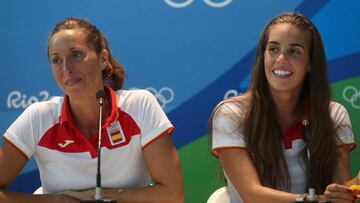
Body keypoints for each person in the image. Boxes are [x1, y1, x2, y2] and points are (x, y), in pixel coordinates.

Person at [0, 17, 183, 203]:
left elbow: (172, 195)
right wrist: (55, 201)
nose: (66, 68)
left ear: (103, 59)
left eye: (76, 55)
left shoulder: (139, 106)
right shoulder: (38, 117)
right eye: (56, 60)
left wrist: (106, 197)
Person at [209, 12, 359, 203]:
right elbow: (252, 195)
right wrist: (316, 200)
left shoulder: (333, 114)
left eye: (294, 51)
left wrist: (349, 188)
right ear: (262, 56)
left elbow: (338, 193)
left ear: (310, 63)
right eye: (273, 49)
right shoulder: (231, 114)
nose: (281, 58)